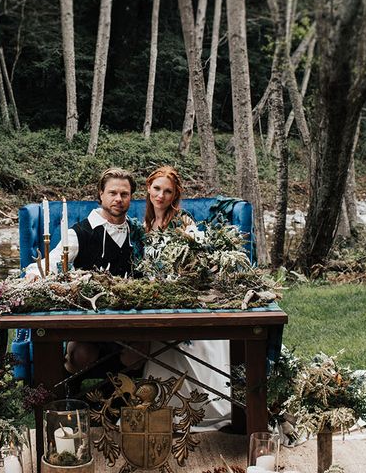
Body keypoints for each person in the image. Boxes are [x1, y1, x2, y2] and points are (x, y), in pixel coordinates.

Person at [25, 167, 142, 373]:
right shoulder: (79, 233)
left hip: (127, 323)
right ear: (101, 194)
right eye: (113, 193)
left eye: (124, 194)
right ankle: (73, 394)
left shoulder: (137, 233)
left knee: (140, 352)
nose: (119, 199)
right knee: (82, 355)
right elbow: (51, 262)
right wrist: (34, 273)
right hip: (87, 323)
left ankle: (124, 398)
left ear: (131, 197)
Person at [141, 165, 231, 430]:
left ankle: (196, 406)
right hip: (157, 297)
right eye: (157, 189)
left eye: (167, 192)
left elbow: (198, 261)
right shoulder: (146, 223)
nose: (160, 196)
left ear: (175, 195)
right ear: (148, 189)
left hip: (181, 295)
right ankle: (159, 401)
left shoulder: (183, 222)